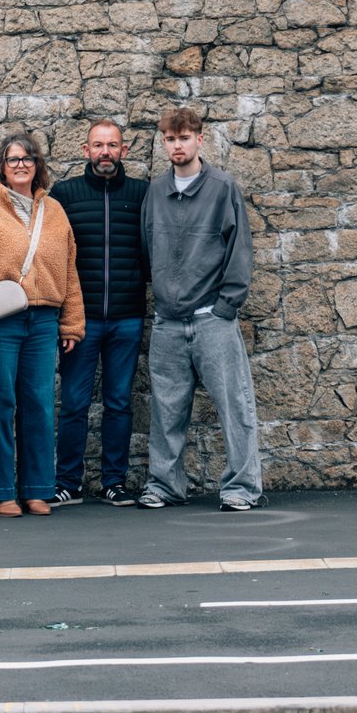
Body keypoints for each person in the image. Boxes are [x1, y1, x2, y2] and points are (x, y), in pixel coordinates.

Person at [0, 131, 84, 516]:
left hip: (44, 321)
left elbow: (68, 269)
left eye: (28, 159)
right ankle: (0, 490)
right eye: (13, 160)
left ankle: (37, 489)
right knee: (1, 404)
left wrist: (72, 323)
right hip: (1, 324)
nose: (21, 165)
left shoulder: (55, 212)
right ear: (2, 168)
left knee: (40, 404)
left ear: (38, 166)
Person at [138, 104, 264, 511]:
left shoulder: (223, 188)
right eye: (171, 139)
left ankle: (242, 488)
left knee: (234, 407)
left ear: (199, 139)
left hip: (212, 319)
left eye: (184, 138)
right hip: (168, 324)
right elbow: (146, 247)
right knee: (166, 412)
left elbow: (239, 251)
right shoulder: (155, 191)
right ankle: (164, 485)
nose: (177, 145)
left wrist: (225, 307)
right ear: (165, 143)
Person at [49, 118, 150, 507]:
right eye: (98, 145)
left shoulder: (142, 193)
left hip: (127, 317)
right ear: (85, 150)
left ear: (124, 151)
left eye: (112, 145)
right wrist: (64, 314)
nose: (105, 152)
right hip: (80, 320)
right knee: (73, 403)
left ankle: (114, 482)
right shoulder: (65, 194)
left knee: (119, 402)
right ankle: (67, 483)